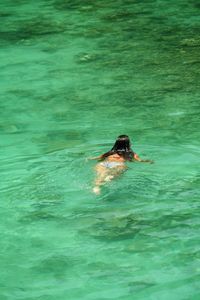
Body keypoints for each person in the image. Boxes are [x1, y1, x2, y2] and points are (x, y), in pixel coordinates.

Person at [89, 135, 153, 194]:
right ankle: (110, 177)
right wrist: (148, 161)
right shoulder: (131, 154)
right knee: (116, 172)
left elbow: (98, 157)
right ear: (128, 144)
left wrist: (89, 159)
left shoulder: (110, 152)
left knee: (100, 175)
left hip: (103, 164)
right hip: (118, 165)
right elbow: (140, 161)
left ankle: (96, 187)